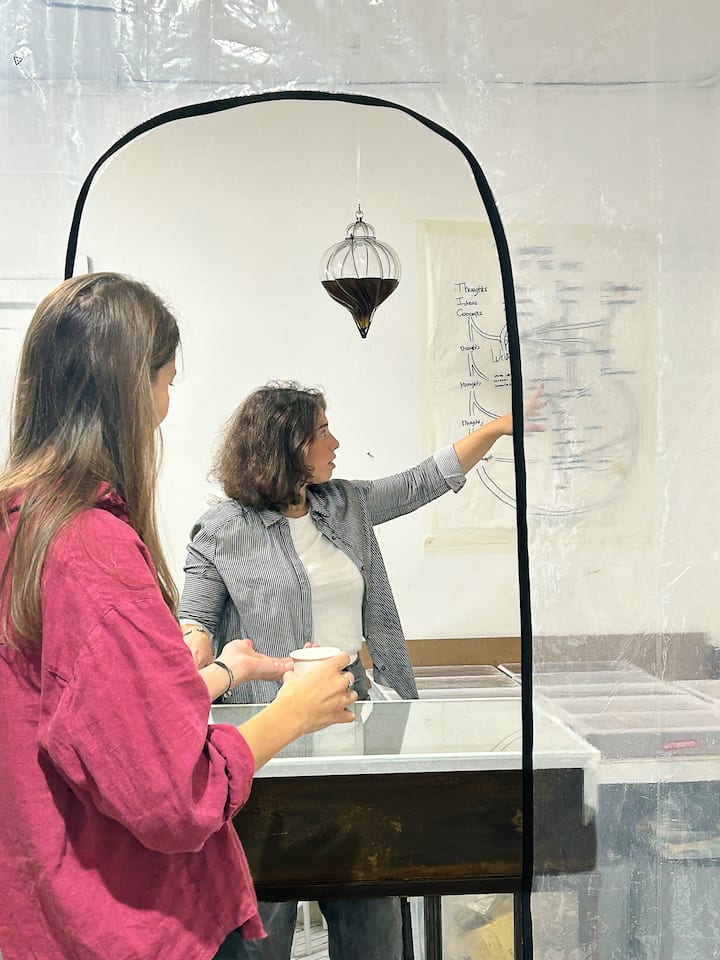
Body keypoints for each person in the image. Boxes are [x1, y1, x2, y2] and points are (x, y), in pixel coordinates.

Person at [0, 276, 357, 960]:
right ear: (128, 389)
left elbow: (84, 714)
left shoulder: (24, 524)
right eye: (165, 381)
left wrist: (220, 671)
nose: (166, 404)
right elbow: (171, 793)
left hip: (44, 906)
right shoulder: (95, 546)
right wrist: (292, 712)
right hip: (125, 921)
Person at [178, 379, 544, 960]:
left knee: (373, 916)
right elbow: (194, 619)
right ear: (285, 445)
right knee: (261, 924)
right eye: (322, 432)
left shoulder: (347, 504)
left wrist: (499, 428)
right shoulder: (222, 528)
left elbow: (424, 480)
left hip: (353, 731)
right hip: (266, 749)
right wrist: (196, 647)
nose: (336, 443)